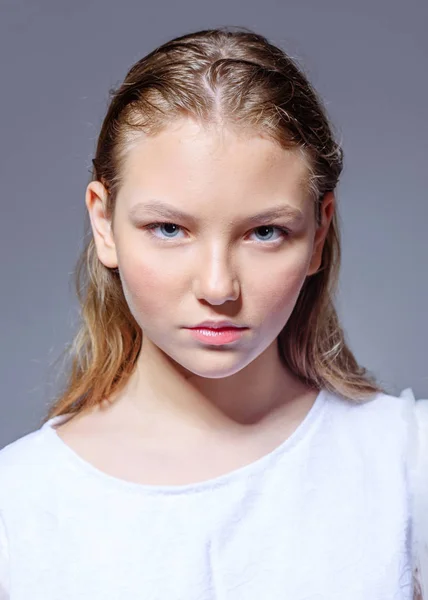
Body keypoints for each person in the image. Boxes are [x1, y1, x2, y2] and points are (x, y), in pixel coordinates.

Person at [0, 27, 426, 600]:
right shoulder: (17, 507)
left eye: (266, 232)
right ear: (104, 223)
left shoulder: (408, 468)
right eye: (169, 229)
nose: (219, 287)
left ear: (319, 231)